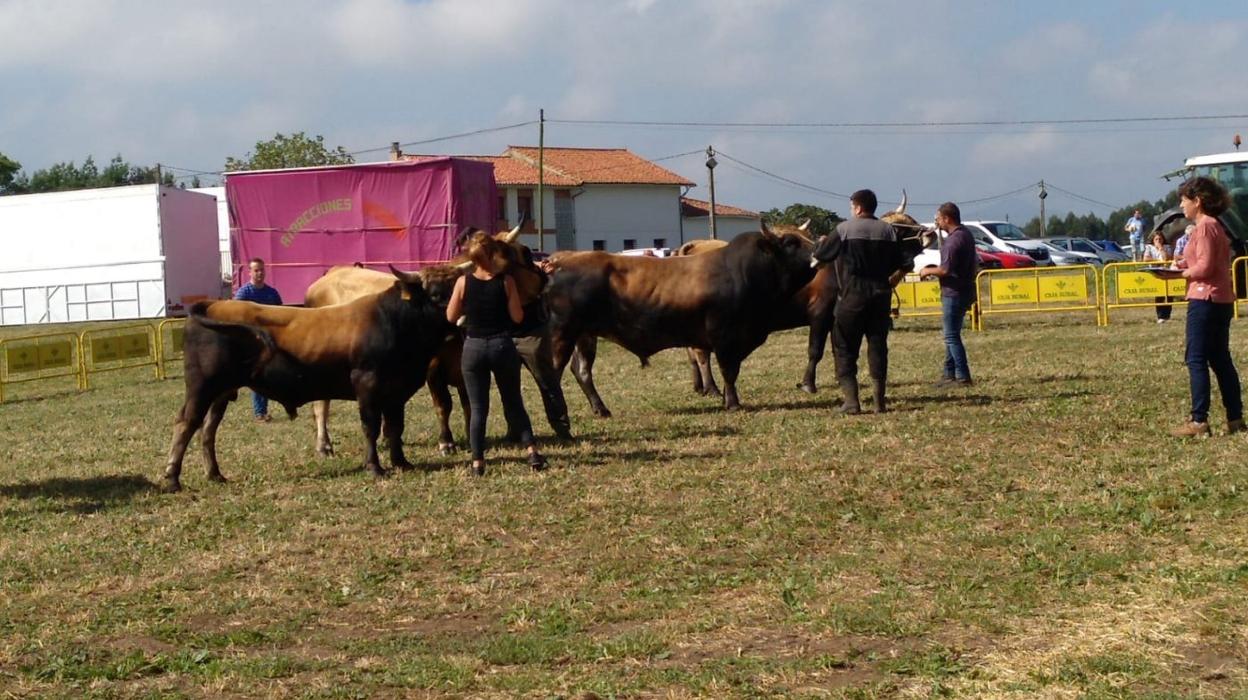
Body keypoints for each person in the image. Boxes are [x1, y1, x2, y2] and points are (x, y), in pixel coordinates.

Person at [446, 232, 548, 474]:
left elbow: (450, 317)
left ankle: (477, 462)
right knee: (513, 401)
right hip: (502, 345)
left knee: (478, 407)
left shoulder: (463, 282)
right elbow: (518, 317)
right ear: (493, 254)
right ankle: (532, 452)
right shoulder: (506, 282)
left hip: (473, 347)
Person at [817, 189, 911, 414]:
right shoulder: (888, 231)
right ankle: (879, 402)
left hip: (852, 297)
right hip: (880, 296)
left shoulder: (844, 229)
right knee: (878, 345)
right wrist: (893, 278)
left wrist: (821, 248)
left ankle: (852, 402)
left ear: (858, 208)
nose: (851, 210)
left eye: (852, 207)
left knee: (844, 348)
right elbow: (906, 263)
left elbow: (820, 257)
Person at [1170, 177, 1244, 437]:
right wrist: (1180, 266)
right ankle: (1235, 418)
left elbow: (1205, 267)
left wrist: (1179, 274)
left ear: (1197, 201)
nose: (1181, 205)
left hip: (1205, 298)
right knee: (1220, 359)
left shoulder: (1205, 226)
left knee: (1196, 359)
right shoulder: (1215, 226)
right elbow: (1202, 261)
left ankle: (1199, 420)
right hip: (1220, 297)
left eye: (1184, 200)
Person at [509, 250, 574, 442]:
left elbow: (547, 284)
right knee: (509, 388)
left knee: (547, 382)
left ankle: (561, 428)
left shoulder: (534, 275)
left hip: (532, 334)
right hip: (506, 336)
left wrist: (545, 272)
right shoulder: (496, 276)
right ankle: (515, 430)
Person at [919, 202, 978, 387]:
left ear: (947, 218)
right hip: (965, 289)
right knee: (951, 334)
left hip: (954, 293)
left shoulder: (953, 242)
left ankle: (962, 376)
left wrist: (927, 271)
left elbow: (945, 270)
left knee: (951, 336)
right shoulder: (965, 234)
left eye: (938, 219)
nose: (936, 222)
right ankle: (948, 374)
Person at [233, 258, 283, 422]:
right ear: (250, 272)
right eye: (256, 270)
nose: (260, 273)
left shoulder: (272, 293)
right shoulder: (243, 293)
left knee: (266, 375)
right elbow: (236, 318)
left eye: (262, 270)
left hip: (269, 341)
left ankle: (262, 411)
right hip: (251, 342)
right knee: (256, 376)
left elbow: (281, 315)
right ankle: (259, 412)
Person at [1143, 230, 1174, 323]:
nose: (1158, 240)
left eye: (1160, 239)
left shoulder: (1167, 247)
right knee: (1159, 294)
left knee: (1169, 295)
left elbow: (1166, 258)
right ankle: (1160, 316)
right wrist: (1157, 260)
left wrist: (1161, 248)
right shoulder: (1149, 247)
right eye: (1156, 239)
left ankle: (1167, 315)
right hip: (1156, 272)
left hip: (1167, 272)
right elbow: (1146, 258)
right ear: (1153, 240)